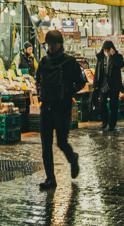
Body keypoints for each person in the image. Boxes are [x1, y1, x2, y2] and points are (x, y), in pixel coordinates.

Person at [35, 29, 86, 190]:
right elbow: (37, 80)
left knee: (61, 142)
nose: (50, 47)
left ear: (60, 44)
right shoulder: (43, 62)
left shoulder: (70, 62)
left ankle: (72, 158)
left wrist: (68, 91)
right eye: (48, 44)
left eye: (52, 44)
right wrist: (39, 92)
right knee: (46, 144)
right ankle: (50, 178)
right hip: (46, 108)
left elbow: (81, 81)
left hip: (62, 108)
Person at [98, 41, 124, 131]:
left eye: (107, 50)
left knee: (113, 106)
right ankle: (104, 121)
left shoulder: (118, 57)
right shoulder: (101, 58)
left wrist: (114, 55)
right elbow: (98, 71)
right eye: (105, 50)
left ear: (111, 49)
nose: (106, 51)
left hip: (114, 84)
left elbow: (120, 65)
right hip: (103, 84)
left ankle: (112, 124)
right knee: (102, 103)